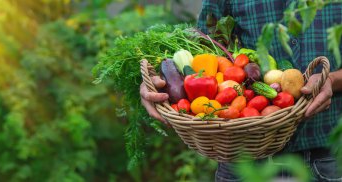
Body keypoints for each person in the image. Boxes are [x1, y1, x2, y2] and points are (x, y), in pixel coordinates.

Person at [140, 0, 342, 181]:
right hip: (243, 158)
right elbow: (200, 46)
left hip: (326, 154)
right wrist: (162, 77)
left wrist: (332, 80)